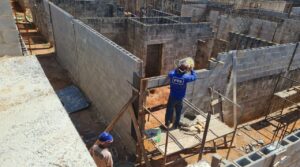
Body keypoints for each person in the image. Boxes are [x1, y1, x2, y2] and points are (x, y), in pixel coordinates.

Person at [165, 59, 197, 129]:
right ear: (185, 70)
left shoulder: (172, 74)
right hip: (180, 98)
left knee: (169, 111)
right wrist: (191, 69)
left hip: (172, 97)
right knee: (178, 113)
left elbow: (171, 72)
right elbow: (194, 77)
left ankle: (167, 124)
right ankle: (175, 125)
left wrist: (177, 68)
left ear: (178, 67)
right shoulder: (186, 77)